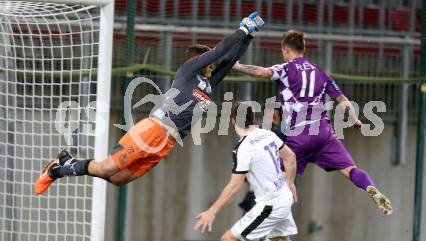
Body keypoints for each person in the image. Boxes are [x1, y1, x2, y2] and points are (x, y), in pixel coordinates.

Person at [34, 12, 265, 195]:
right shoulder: (188, 71)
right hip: (154, 129)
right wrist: (242, 28)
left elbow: (230, 58)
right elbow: (222, 50)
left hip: (167, 143)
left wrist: (250, 36)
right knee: (107, 168)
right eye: (208, 61)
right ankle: (56, 170)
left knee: (117, 179)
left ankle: (69, 162)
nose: (212, 65)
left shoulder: (208, 84)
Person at [232, 29, 393, 218]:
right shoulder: (320, 73)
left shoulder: (286, 69)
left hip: (298, 136)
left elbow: (261, 72)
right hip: (324, 134)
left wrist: (237, 66)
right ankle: (371, 188)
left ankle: (270, 227)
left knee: (279, 179)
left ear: (285, 49)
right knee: (350, 170)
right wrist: (355, 120)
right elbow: (343, 100)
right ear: (303, 48)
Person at [194, 103, 314, 241]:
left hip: (270, 205)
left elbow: (234, 186)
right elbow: (290, 157)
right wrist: (290, 183)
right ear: (253, 118)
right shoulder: (267, 134)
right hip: (284, 197)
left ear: (233, 120)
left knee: (227, 240)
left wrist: (212, 211)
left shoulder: (242, 148)